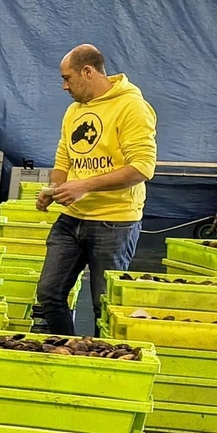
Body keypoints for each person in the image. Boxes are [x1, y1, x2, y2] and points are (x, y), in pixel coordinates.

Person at [35, 44, 158, 336]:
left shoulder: (131, 106)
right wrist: (55, 189)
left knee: (104, 306)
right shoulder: (74, 111)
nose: (64, 86)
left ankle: (105, 358)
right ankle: (67, 350)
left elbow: (142, 167)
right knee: (49, 293)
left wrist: (84, 187)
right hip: (72, 219)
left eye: (67, 78)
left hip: (115, 221)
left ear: (88, 71)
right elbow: (64, 159)